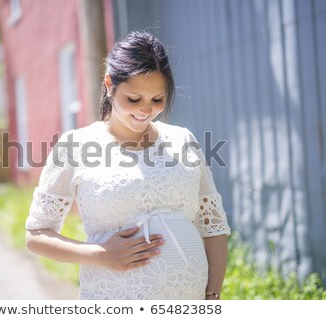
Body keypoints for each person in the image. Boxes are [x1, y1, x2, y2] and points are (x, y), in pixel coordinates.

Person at [25, 31, 231, 300]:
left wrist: (213, 295)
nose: (146, 110)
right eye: (134, 99)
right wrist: (100, 254)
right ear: (110, 84)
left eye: (157, 99)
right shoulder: (75, 146)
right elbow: (37, 236)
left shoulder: (183, 140)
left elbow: (213, 227)